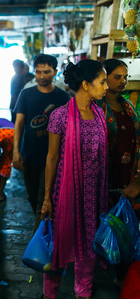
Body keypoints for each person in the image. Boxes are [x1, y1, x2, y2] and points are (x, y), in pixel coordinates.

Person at [41, 59, 109, 299]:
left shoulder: (99, 114)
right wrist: (47, 198)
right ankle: (50, 293)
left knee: (89, 247)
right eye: (102, 82)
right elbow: (51, 159)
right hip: (65, 193)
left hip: (93, 195)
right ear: (86, 84)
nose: (106, 87)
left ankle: (83, 292)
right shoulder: (60, 116)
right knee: (60, 243)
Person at [12, 54, 70, 232]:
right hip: (30, 154)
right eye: (38, 72)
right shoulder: (26, 94)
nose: (42, 76)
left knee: (43, 201)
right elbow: (19, 123)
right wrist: (16, 151)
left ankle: (38, 245)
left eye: (46, 72)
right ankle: (44, 229)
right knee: (31, 195)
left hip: (53, 159)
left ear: (55, 72)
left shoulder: (63, 97)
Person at [96, 59, 140, 204]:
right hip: (105, 176)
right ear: (104, 77)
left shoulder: (127, 106)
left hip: (129, 176)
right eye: (117, 77)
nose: (123, 81)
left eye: (125, 77)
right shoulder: (96, 107)